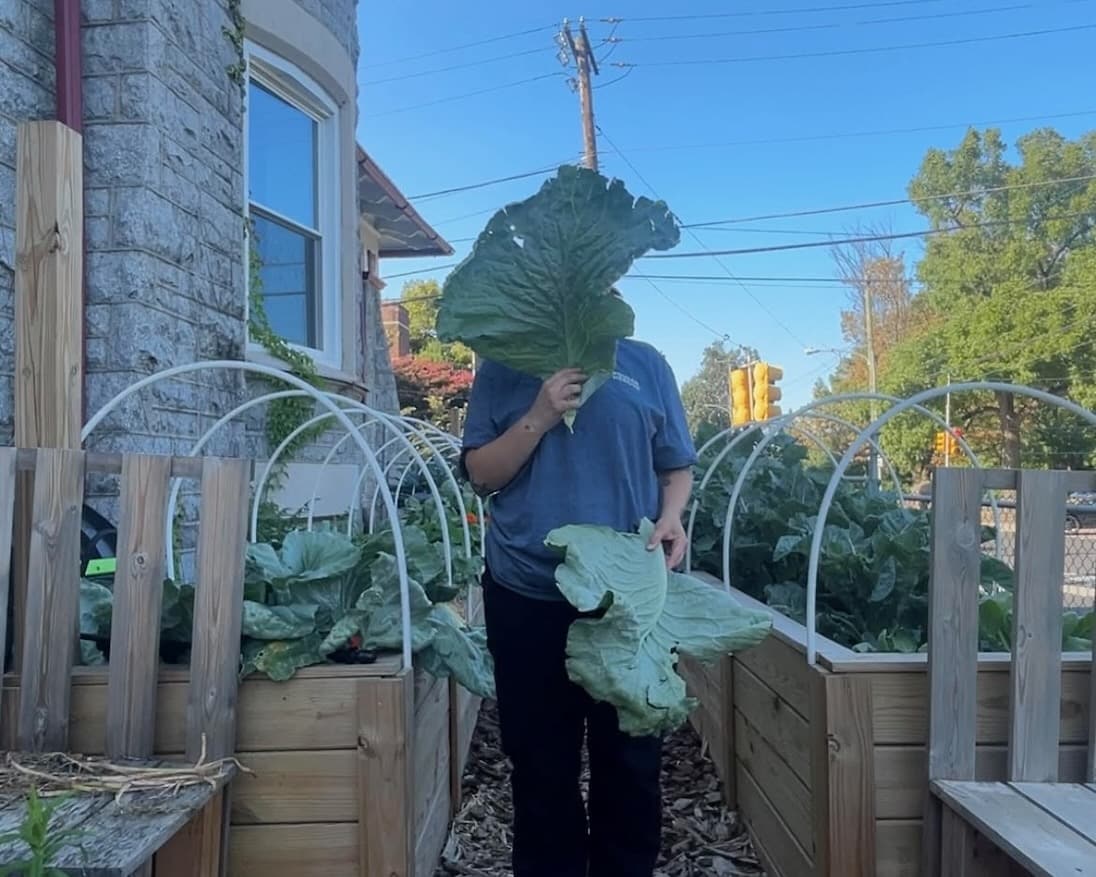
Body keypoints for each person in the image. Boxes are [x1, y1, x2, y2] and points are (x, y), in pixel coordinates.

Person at [460, 334, 698, 877]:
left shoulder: (644, 363)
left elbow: (675, 466)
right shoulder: (504, 363)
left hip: (626, 600)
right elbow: (480, 474)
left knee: (632, 765)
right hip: (529, 592)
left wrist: (672, 513)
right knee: (542, 769)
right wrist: (540, 414)